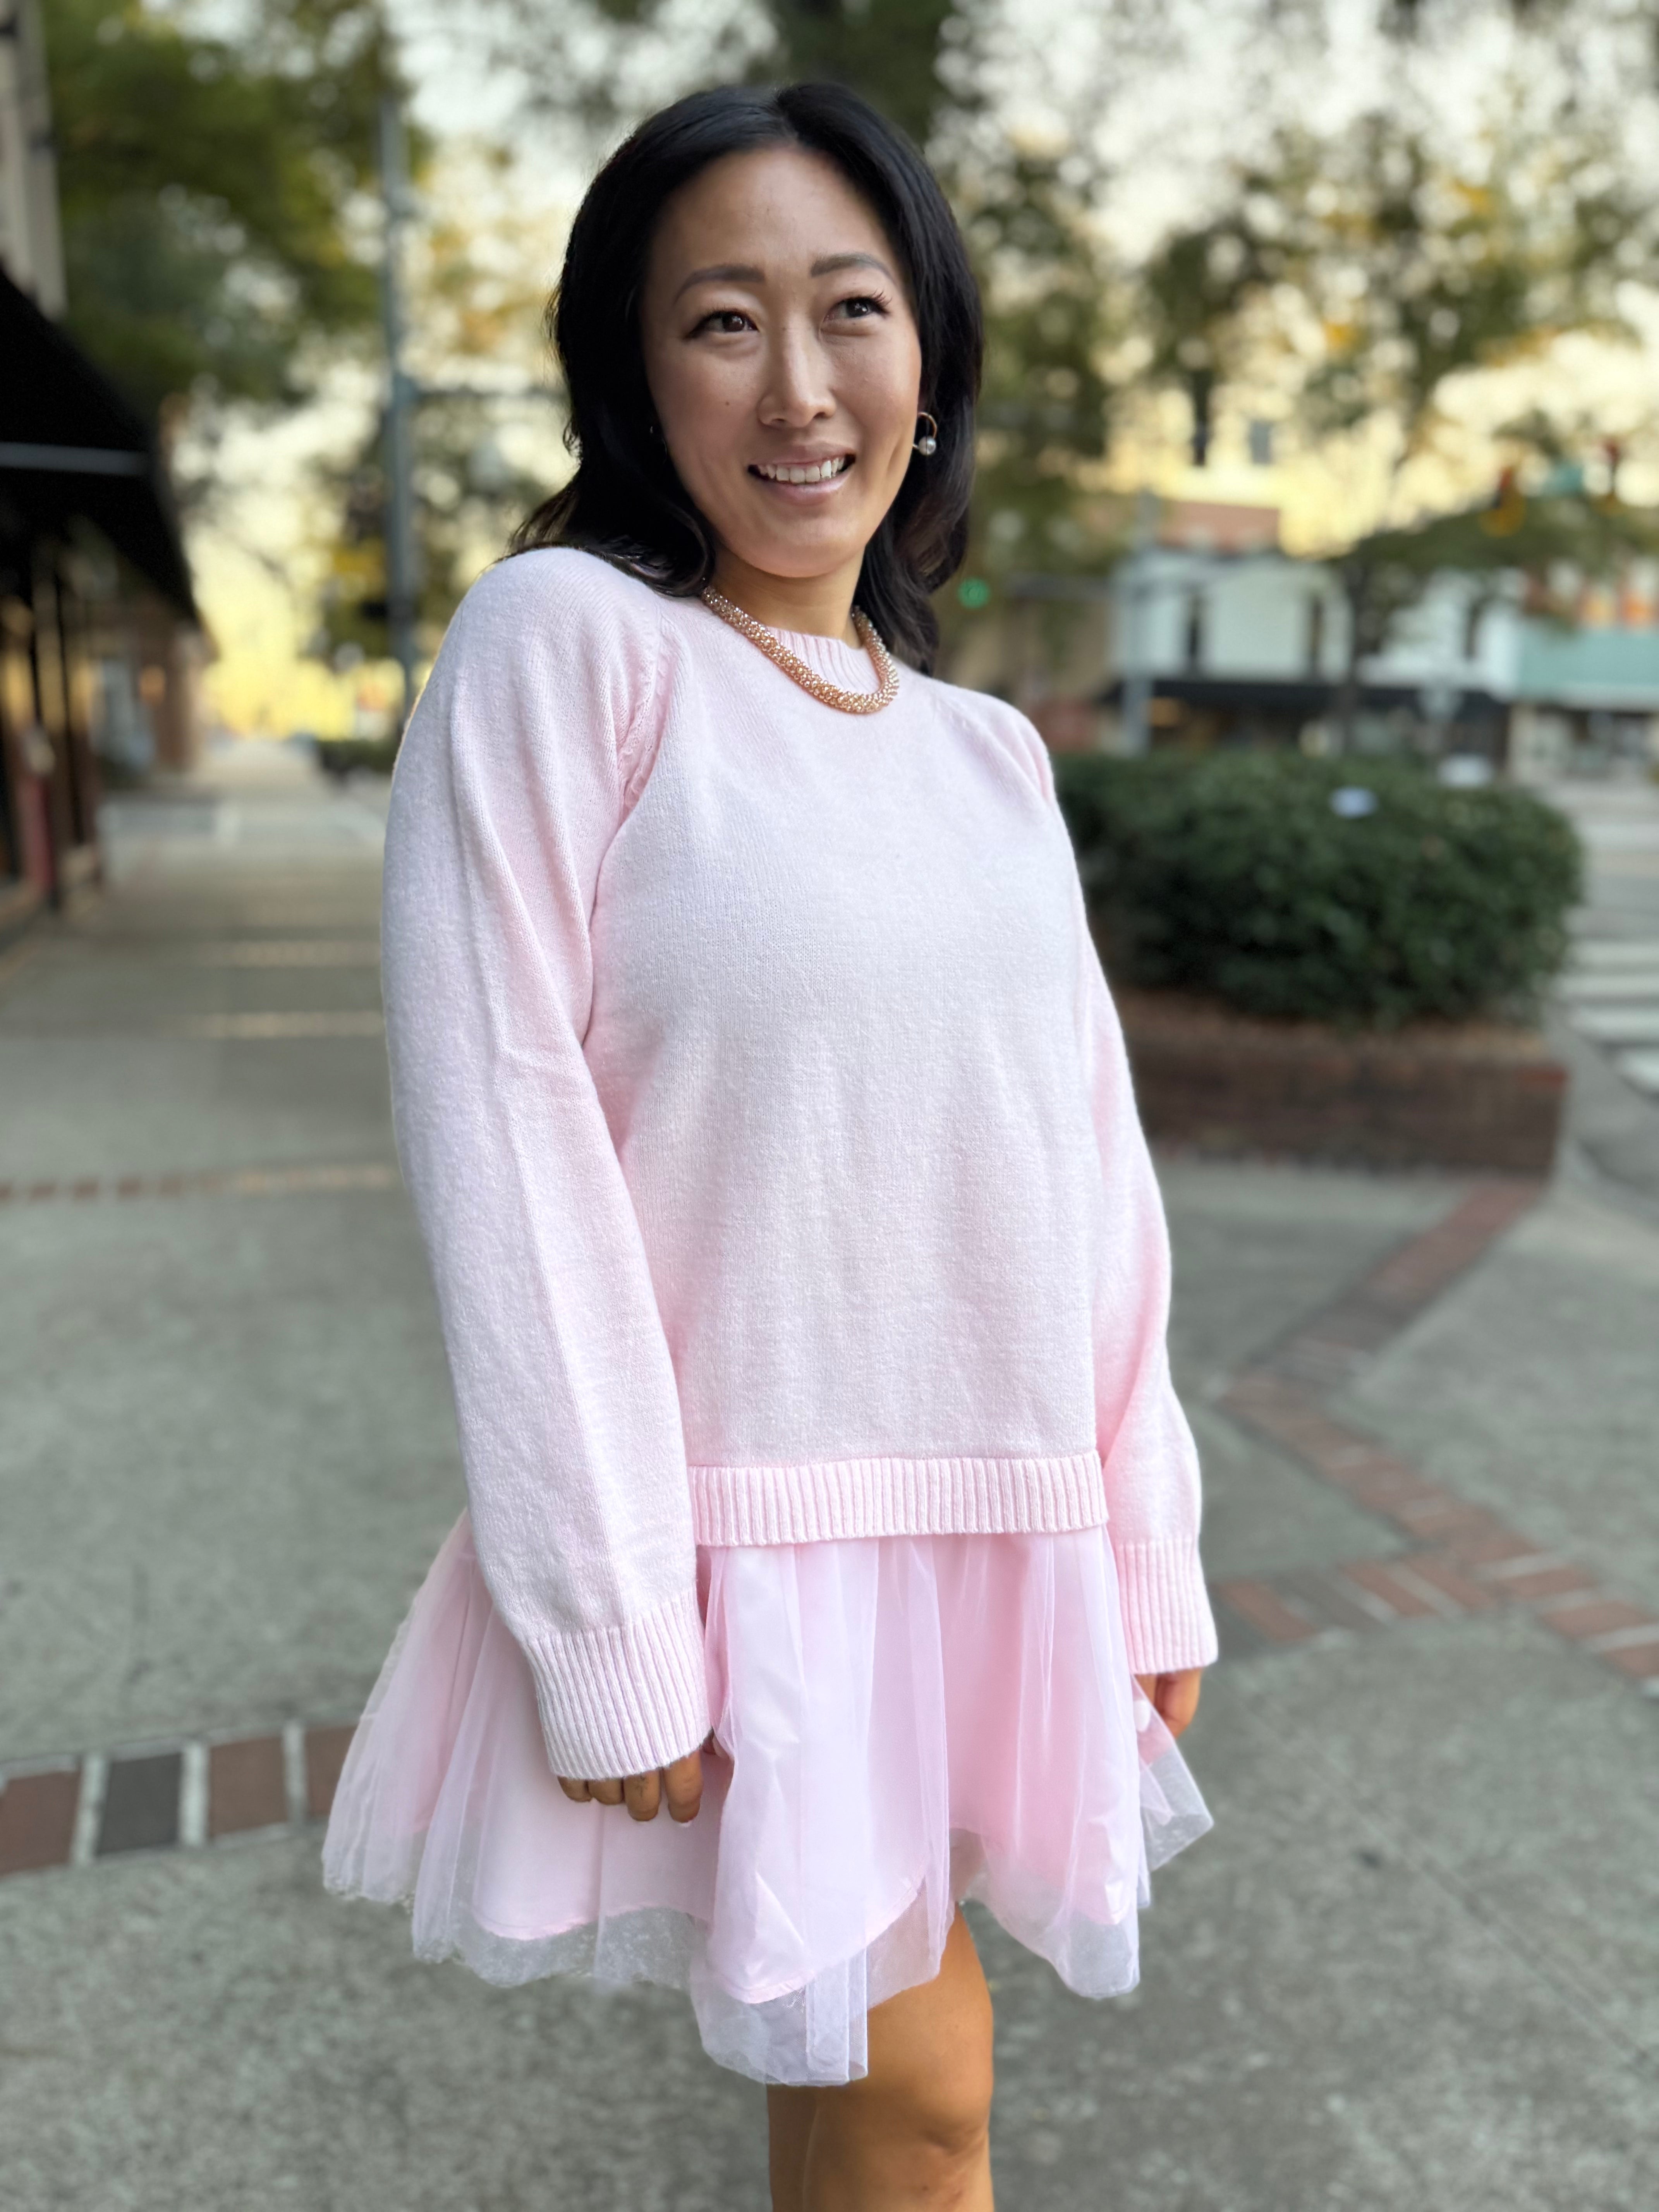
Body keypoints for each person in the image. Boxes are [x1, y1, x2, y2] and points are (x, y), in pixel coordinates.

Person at [324, 78, 1219, 2212]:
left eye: (853, 309)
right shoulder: (567, 645)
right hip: (754, 1555)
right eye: (724, 321)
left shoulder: (989, 754)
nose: (801, 389)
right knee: (923, 2097)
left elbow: (1089, 1168)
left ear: (932, 355)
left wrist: (1146, 1536)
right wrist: (607, 1613)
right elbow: (504, 1130)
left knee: (861, 2098)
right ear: (634, 376)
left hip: (997, 1528)